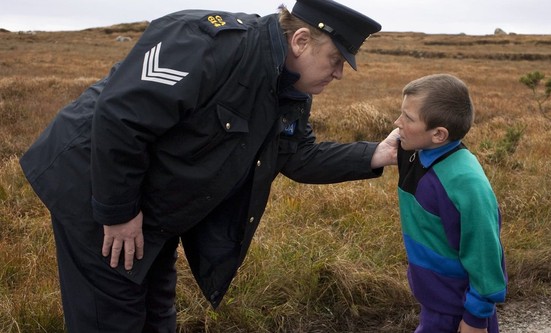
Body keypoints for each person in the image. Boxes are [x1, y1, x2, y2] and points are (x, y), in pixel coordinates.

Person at [19, 0, 399, 331]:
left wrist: (375, 153)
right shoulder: (204, 43)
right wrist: (117, 212)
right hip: (94, 186)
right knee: (111, 317)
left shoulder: (289, 89)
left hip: (154, 207)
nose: (338, 74)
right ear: (300, 41)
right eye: (335, 61)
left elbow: (297, 155)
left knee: (156, 311)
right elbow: (122, 117)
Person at [394, 74, 507, 333]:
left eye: (407, 118)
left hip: (458, 312)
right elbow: (398, 141)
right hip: (434, 303)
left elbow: (485, 251)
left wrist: (476, 319)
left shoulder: (466, 183)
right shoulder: (418, 153)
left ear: (439, 134)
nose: (397, 123)